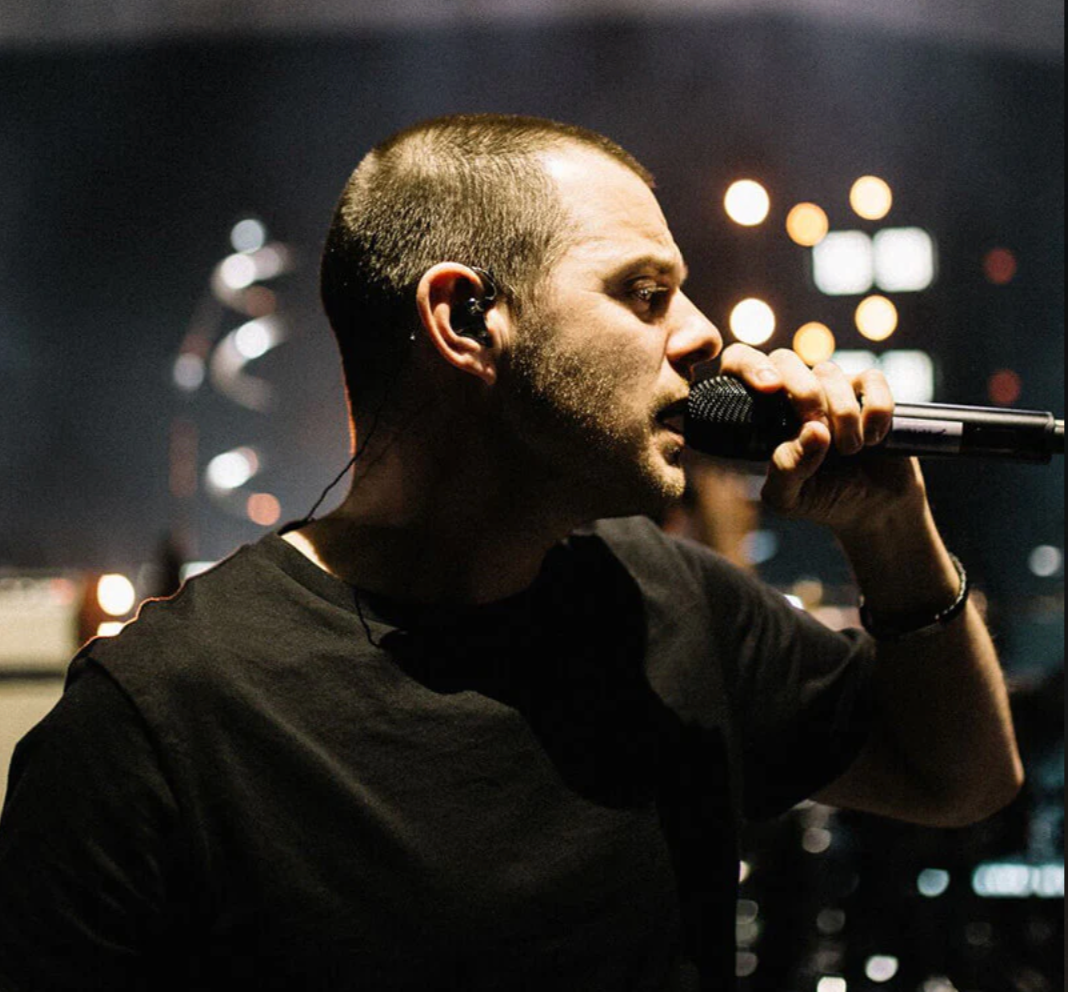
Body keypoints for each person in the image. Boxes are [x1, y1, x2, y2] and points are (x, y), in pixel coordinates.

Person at [0, 115, 1022, 992]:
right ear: (466, 317)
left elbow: (960, 778)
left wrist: (893, 531)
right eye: (647, 292)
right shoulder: (158, 720)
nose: (709, 337)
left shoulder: (675, 602)